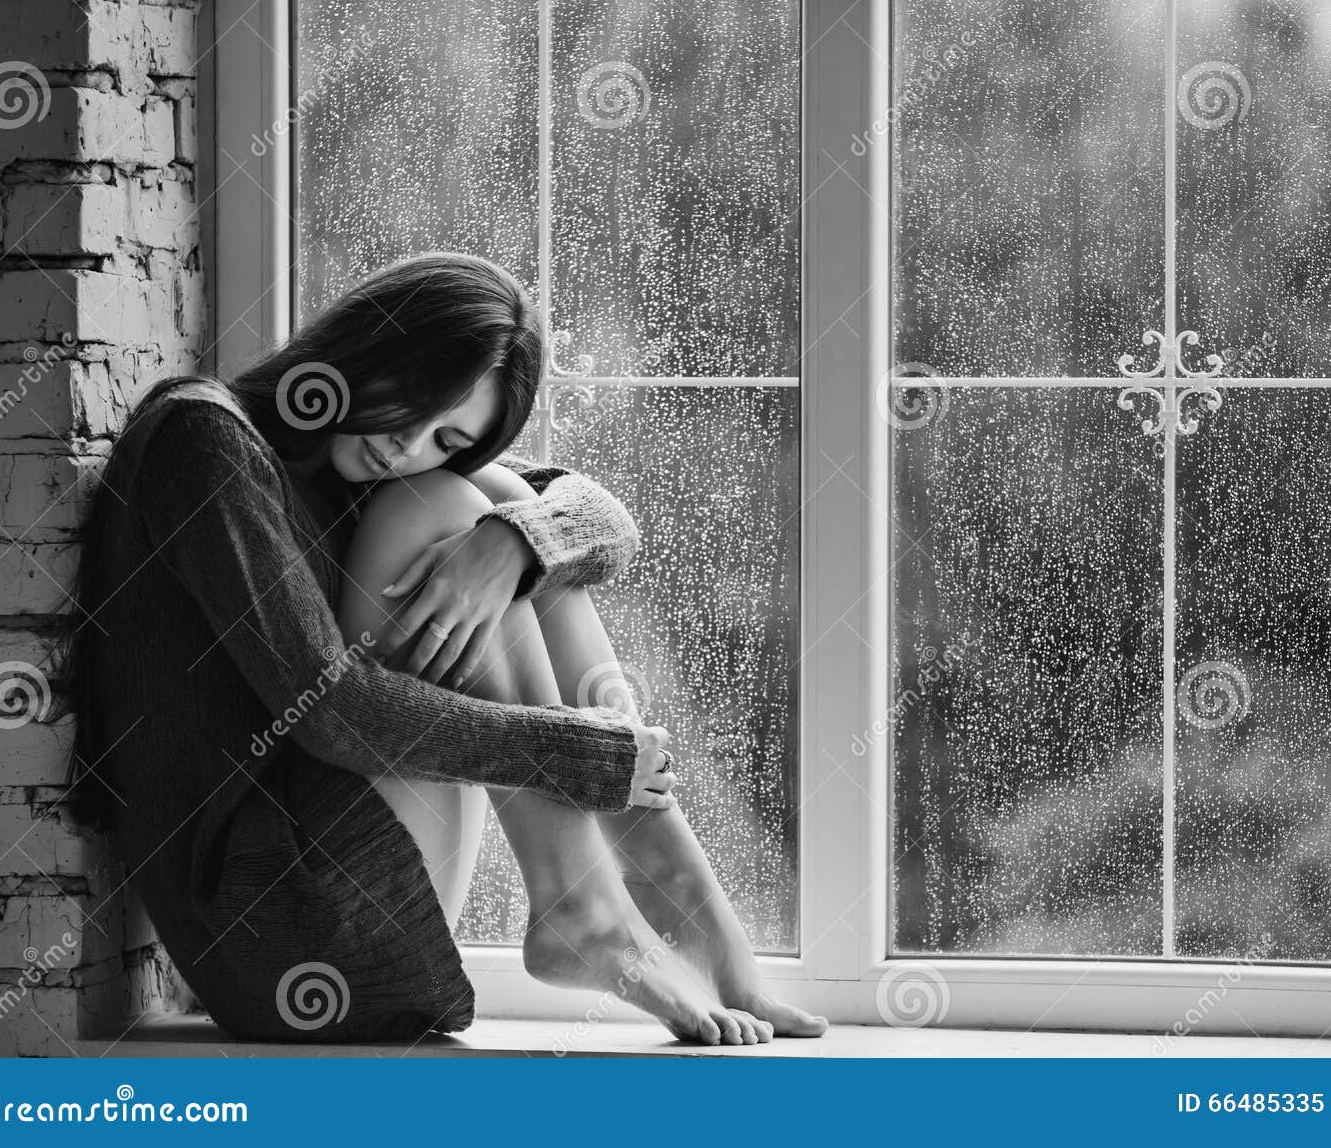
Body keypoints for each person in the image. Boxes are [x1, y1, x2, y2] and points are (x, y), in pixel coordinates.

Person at [63, 251, 827, 1046]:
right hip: (280, 934)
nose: (408, 444)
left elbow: (605, 523)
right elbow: (331, 713)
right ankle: (584, 907)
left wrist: (510, 546)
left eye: (448, 435)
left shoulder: (360, 469)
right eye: (412, 402)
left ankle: (681, 899)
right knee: (444, 506)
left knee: (507, 511)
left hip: (369, 881)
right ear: (371, 344)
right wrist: (580, 752)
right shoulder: (204, 437)